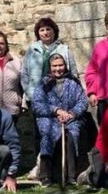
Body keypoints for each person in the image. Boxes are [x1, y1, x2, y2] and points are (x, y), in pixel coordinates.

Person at [31, 54, 88, 186]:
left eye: (60, 65)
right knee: (49, 136)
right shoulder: (43, 84)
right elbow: (37, 104)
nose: (58, 69)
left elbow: (82, 101)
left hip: (70, 119)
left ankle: (71, 176)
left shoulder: (73, 82)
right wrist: (56, 110)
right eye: (54, 66)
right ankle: (46, 176)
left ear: (65, 66)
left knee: (70, 135)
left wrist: (71, 113)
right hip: (49, 119)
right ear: (50, 67)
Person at [21, 16, 78, 105]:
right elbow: (24, 73)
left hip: (60, 98)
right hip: (34, 97)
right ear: (38, 33)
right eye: (42, 30)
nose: (45, 32)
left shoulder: (65, 50)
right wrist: (29, 92)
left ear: (54, 31)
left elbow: (73, 73)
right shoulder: (31, 50)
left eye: (48, 29)